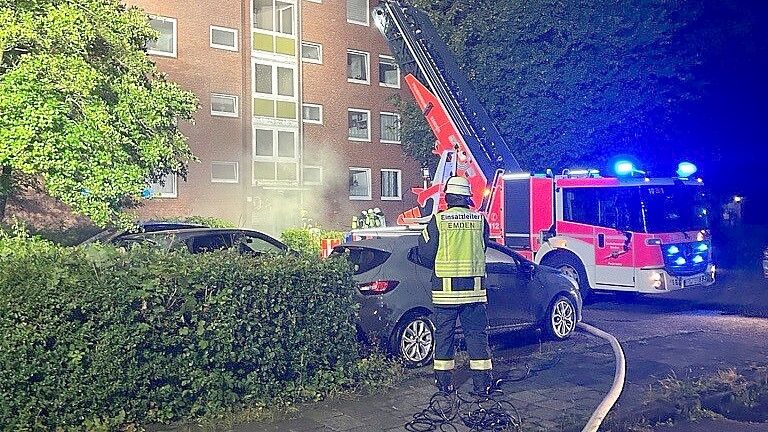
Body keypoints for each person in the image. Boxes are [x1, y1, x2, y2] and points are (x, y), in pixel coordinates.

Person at [418, 175, 493, 395]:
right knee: (477, 336)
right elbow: (484, 248)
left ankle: (444, 385)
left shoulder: (439, 221)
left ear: (448, 198)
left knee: (444, 336)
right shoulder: (480, 221)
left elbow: (425, 253)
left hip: (446, 293)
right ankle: (482, 385)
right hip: (474, 291)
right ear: (468, 198)